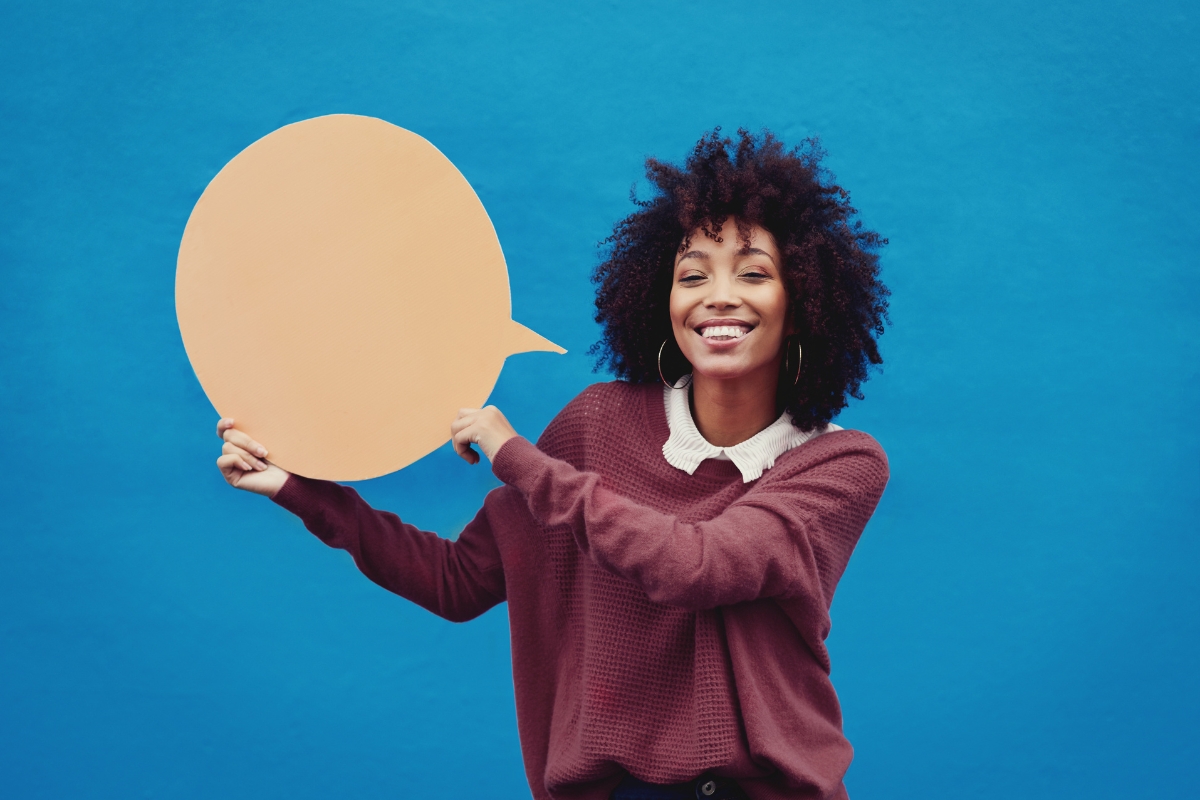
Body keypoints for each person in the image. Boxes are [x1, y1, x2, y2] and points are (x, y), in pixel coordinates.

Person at [215, 129, 891, 800]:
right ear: (664, 299)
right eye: (692, 275)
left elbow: (699, 565)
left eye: (753, 273)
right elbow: (457, 581)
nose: (718, 295)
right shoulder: (597, 424)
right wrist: (297, 489)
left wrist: (519, 458)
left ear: (801, 303)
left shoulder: (838, 464)